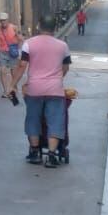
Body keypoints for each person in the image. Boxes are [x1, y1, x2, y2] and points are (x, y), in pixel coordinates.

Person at [18, 24, 74, 168]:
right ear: (54, 28)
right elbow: (66, 67)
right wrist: (57, 79)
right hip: (55, 90)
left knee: (33, 119)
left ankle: (35, 153)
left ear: (38, 26)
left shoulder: (28, 43)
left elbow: (22, 64)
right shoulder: (63, 46)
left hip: (34, 89)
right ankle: (51, 155)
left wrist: (13, 84)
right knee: (55, 121)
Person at [0, 14, 23, 103]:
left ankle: (14, 87)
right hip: (3, 53)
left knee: (13, 72)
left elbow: (20, 39)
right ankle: (6, 91)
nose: (3, 22)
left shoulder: (14, 28)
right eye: (1, 20)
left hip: (12, 53)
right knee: (3, 71)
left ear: (7, 20)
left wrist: (19, 51)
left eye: (4, 20)